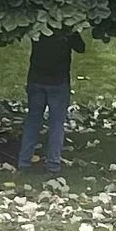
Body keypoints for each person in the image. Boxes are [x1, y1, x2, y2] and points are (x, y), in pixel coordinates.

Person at [19, 32, 81, 174]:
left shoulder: (38, 28)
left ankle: (24, 161)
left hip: (36, 79)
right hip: (58, 82)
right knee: (56, 123)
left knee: (33, 120)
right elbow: (80, 47)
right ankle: (53, 164)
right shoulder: (67, 30)